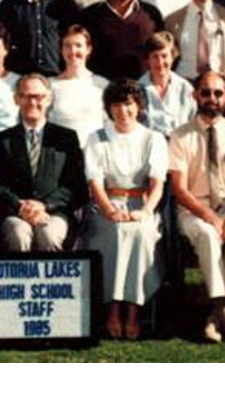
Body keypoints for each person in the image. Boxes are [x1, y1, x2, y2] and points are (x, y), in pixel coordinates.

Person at [167, 71, 225, 343]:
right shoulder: (180, 136)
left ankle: (215, 313)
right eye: (205, 92)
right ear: (196, 96)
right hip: (194, 209)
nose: (212, 99)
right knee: (208, 235)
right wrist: (210, 217)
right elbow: (180, 190)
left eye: (218, 93)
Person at [84, 79, 167, 340]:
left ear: (139, 105)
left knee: (140, 234)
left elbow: (157, 185)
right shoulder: (96, 138)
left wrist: (145, 211)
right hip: (105, 206)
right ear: (109, 108)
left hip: (141, 204)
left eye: (129, 103)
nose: (123, 110)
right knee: (117, 233)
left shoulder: (153, 139)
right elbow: (95, 184)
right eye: (117, 104)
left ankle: (132, 311)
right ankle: (113, 310)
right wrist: (110, 210)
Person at [0, 74, 87, 252]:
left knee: (48, 234)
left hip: (55, 212)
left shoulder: (67, 138)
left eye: (38, 96)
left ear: (49, 99)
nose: (32, 102)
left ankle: (55, 281)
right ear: (16, 99)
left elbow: (76, 186)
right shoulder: (2, 139)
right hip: (15, 212)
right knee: (18, 234)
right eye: (26, 96)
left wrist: (45, 205)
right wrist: (20, 206)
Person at [81, 0, 164, 81]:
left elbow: (160, 51)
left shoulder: (151, 15)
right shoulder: (90, 16)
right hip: (101, 89)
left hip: (142, 87)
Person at [49, 25, 109, 147]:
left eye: (78, 45)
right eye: (67, 45)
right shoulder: (50, 85)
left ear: (88, 49)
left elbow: (107, 125)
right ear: (61, 50)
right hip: (60, 153)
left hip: (93, 153)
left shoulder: (101, 84)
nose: (72, 51)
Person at [138, 32, 196, 137]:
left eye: (164, 56)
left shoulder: (186, 89)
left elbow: (193, 124)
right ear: (148, 59)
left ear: (172, 57)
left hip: (179, 147)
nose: (160, 62)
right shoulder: (137, 90)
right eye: (155, 56)